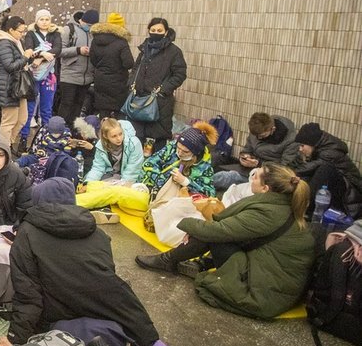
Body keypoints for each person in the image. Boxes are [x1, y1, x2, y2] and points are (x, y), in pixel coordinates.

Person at [0, 178, 159, 346]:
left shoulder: (26, 234)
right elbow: (105, 277)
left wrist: (15, 337)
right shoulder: (98, 233)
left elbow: (28, 295)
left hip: (55, 317)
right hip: (102, 308)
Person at [135, 163, 315, 319]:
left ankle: (167, 260)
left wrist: (188, 225)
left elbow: (219, 230)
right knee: (212, 231)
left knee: (213, 234)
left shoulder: (267, 212)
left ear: (265, 189)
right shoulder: (281, 205)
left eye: (257, 176)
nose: (252, 177)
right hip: (274, 281)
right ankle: (185, 262)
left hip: (264, 293)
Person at [128, 18, 187, 150]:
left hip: (160, 102)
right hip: (139, 100)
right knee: (136, 136)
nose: (156, 32)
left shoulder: (174, 51)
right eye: (153, 30)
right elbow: (135, 69)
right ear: (148, 30)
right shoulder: (145, 49)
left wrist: (163, 89)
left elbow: (180, 74)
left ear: (166, 32)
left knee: (158, 137)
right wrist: (131, 83)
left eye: (159, 30)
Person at [213, 113, 301, 189]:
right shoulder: (257, 130)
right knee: (220, 174)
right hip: (249, 169)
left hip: (268, 176)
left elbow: (284, 167)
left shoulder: (290, 140)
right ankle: (201, 183)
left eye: (262, 136)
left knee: (228, 177)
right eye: (256, 136)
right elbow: (247, 149)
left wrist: (259, 164)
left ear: (272, 129)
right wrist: (244, 157)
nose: (258, 138)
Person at [292, 122, 362, 217]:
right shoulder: (316, 150)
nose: (300, 149)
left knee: (323, 170)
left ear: (312, 144)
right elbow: (296, 166)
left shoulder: (330, 153)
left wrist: (287, 173)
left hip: (350, 196)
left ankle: (306, 208)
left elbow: (307, 169)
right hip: (336, 191)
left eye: (302, 145)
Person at [140, 121, 217, 198]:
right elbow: (149, 164)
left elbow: (210, 194)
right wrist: (163, 180)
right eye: (178, 148)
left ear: (196, 153)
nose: (179, 153)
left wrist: (185, 182)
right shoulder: (172, 147)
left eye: (185, 151)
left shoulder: (204, 166)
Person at [19, 10, 62, 147]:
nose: (44, 22)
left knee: (46, 109)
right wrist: (43, 53)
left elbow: (58, 49)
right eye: (41, 19)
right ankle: (23, 139)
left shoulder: (56, 34)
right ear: (36, 21)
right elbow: (29, 50)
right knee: (29, 109)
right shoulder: (31, 34)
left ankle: (46, 139)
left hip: (49, 76)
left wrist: (41, 57)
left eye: (47, 19)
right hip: (33, 76)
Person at [0, 15, 36, 149]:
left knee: (22, 119)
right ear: (11, 30)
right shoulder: (4, 43)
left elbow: (18, 63)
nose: (22, 35)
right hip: (8, 87)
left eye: (24, 32)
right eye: (20, 31)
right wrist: (25, 56)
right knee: (8, 121)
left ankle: (8, 144)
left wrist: (29, 58)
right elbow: (10, 66)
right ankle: (3, 150)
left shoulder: (14, 42)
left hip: (17, 87)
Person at [55, 9, 97, 126]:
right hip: (70, 75)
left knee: (78, 106)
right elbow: (59, 51)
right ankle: (59, 130)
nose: (89, 27)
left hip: (86, 77)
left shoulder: (93, 33)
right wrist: (78, 50)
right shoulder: (69, 30)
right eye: (88, 25)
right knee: (66, 104)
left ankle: (72, 131)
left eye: (92, 26)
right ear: (81, 21)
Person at [89, 12, 134, 118]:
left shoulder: (96, 40)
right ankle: (116, 132)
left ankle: (103, 132)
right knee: (118, 111)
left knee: (103, 110)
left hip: (100, 79)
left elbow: (93, 59)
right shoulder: (122, 42)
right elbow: (128, 63)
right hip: (118, 81)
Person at [85, 118, 145, 183]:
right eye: (114, 136)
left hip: (131, 178)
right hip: (111, 174)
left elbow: (133, 170)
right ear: (105, 136)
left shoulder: (134, 143)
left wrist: (121, 186)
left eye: (120, 134)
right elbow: (98, 168)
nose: (119, 138)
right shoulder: (101, 145)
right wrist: (88, 183)